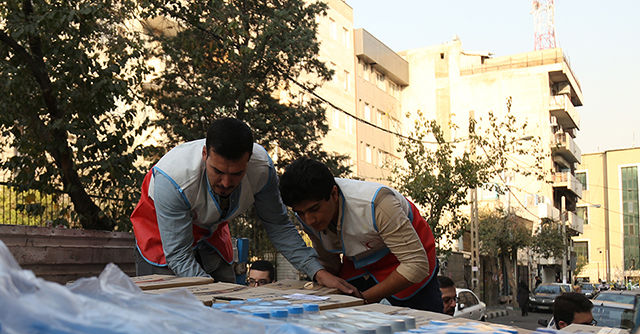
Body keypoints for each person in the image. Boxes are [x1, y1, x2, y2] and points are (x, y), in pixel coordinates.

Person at [130, 118, 355, 293]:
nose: (226, 183)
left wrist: (317, 272)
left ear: (248, 160)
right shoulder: (173, 178)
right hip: (160, 230)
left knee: (229, 294)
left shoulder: (262, 169)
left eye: (237, 174)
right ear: (205, 154)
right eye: (218, 171)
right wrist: (209, 295)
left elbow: (278, 225)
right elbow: (178, 255)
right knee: (167, 300)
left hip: (212, 226)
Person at [278, 156, 442, 313]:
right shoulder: (307, 215)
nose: (310, 220)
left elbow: (416, 265)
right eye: (301, 212)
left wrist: (363, 299)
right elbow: (331, 263)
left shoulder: (378, 203)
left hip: (411, 255)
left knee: (422, 323)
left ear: (334, 194)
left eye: (314, 209)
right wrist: (322, 278)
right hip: (361, 262)